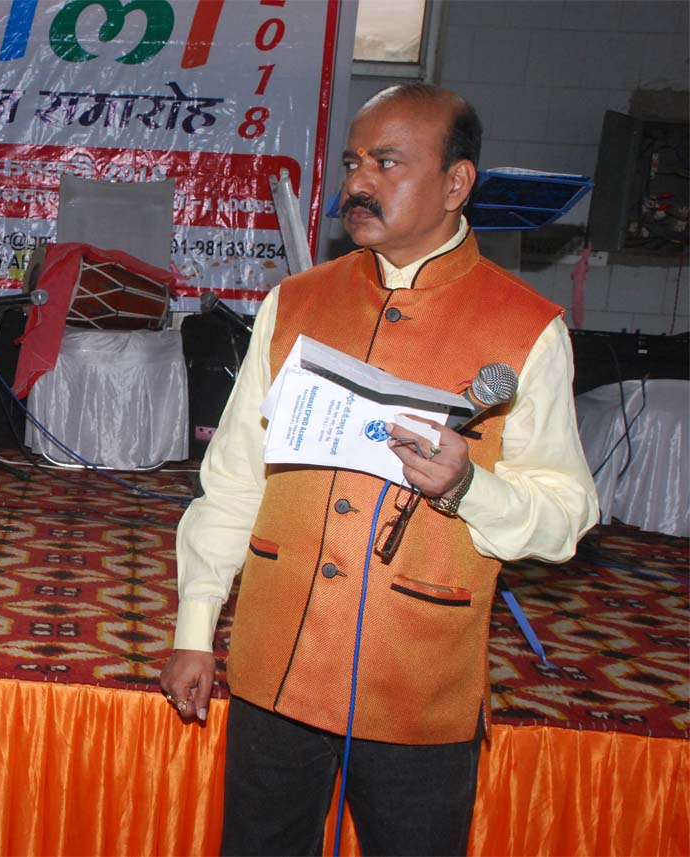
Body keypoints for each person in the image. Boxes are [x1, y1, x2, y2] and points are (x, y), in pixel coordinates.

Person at [160, 83, 598, 856]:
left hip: (419, 688)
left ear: (456, 182)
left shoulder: (526, 330)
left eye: (386, 163)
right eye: (352, 162)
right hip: (274, 666)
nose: (358, 183)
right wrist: (196, 627)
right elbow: (232, 481)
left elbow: (567, 514)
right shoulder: (294, 303)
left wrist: (469, 487)